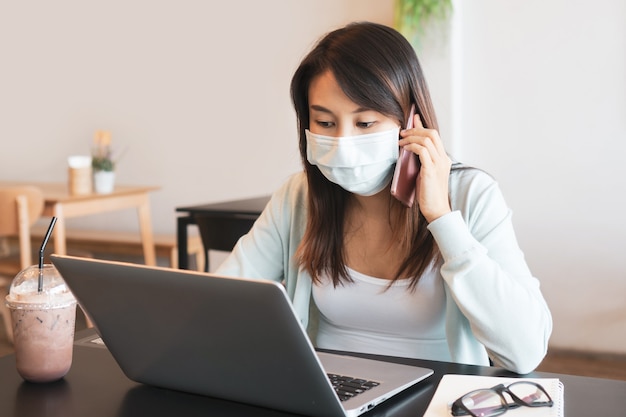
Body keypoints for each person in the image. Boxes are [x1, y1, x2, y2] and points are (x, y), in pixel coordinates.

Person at [216, 21, 552, 374]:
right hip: (326, 395)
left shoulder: (471, 195)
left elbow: (525, 350)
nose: (343, 143)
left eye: (365, 123)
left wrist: (442, 218)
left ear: (412, 120)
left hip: (435, 398)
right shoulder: (299, 196)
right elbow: (222, 301)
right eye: (326, 124)